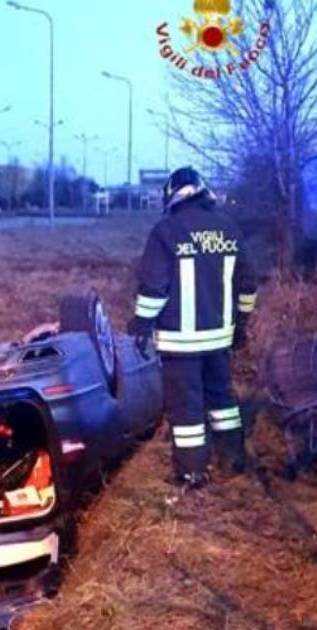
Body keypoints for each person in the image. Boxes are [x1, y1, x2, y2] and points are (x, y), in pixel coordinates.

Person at [128, 167, 258, 489]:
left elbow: (154, 287)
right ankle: (233, 458)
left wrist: (141, 322)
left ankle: (191, 472)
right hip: (219, 339)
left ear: (172, 196)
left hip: (180, 342)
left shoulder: (166, 231)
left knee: (186, 407)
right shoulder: (228, 228)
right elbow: (248, 285)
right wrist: (241, 323)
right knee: (222, 399)